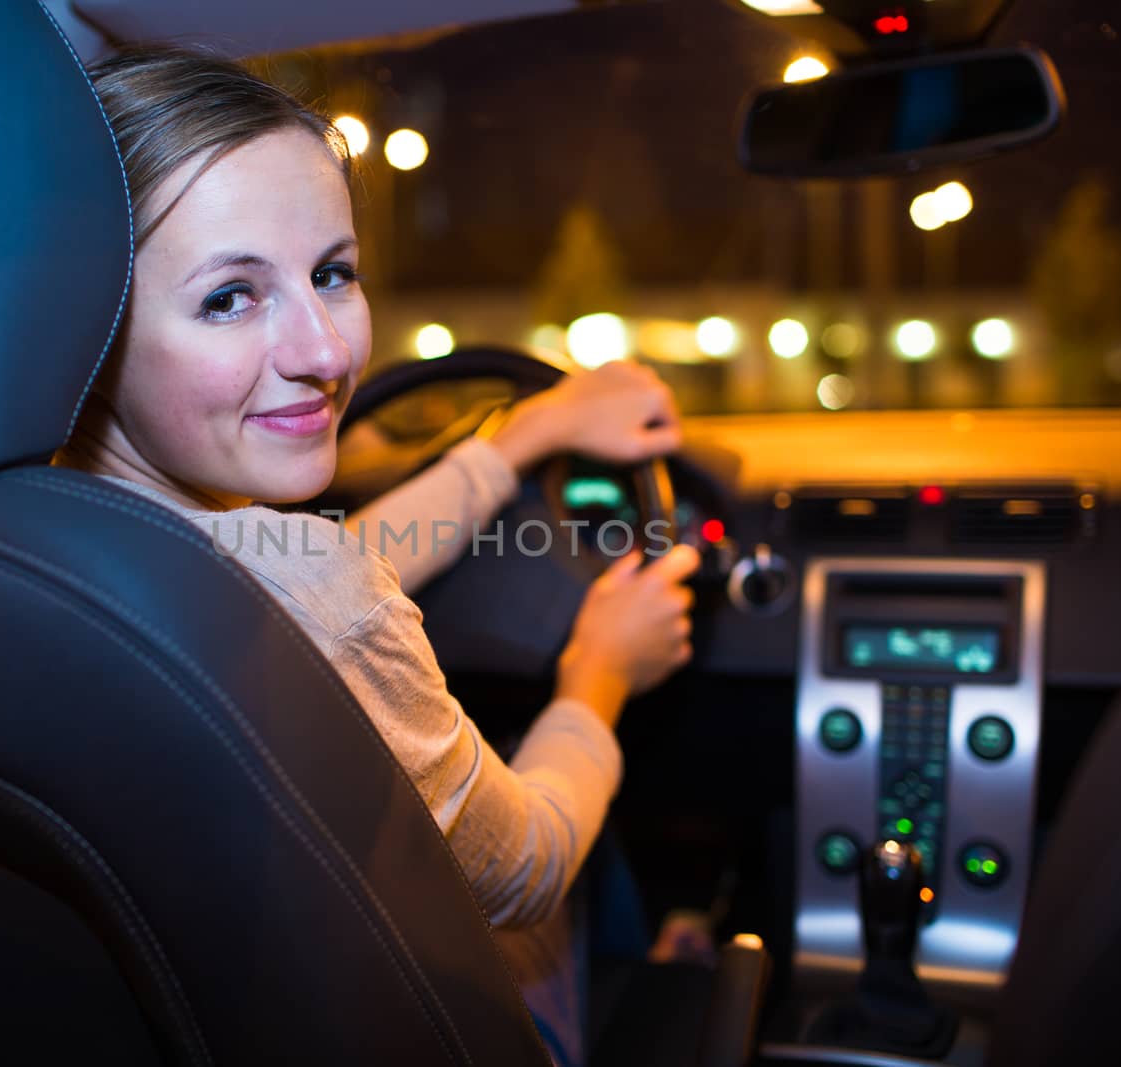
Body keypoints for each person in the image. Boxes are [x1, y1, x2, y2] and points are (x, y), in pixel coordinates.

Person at [54, 44, 700, 1064]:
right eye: (231, 295)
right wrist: (600, 675)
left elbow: (315, 575)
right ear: (80, 320)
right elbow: (525, 864)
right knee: (590, 849)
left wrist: (515, 439)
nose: (325, 352)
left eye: (331, 274)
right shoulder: (308, 587)